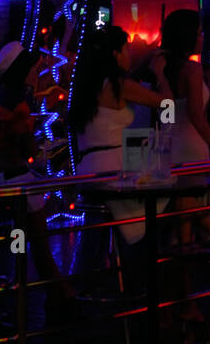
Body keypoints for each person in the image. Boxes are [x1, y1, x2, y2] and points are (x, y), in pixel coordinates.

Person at [0, 42, 75, 319]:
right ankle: (57, 291)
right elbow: (30, 151)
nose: (36, 71)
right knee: (40, 235)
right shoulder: (17, 104)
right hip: (15, 183)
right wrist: (48, 149)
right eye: (31, 68)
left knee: (28, 230)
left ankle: (16, 285)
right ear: (20, 71)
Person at [69, 25, 167, 251]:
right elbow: (166, 103)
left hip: (87, 169)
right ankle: (142, 274)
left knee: (96, 238)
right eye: (126, 49)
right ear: (115, 54)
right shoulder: (119, 86)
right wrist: (160, 73)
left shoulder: (86, 86)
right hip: (115, 170)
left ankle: (103, 277)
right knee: (166, 199)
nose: (129, 54)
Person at [150, 10, 210, 243]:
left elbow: (166, 114)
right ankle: (203, 262)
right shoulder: (192, 69)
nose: (203, 37)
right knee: (189, 218)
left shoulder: (159, 66)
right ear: (188, 35)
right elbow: (197, 118)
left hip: (168, 148)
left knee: (179, 219)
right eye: (200, 33)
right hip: (192, 148)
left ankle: (177, 273)